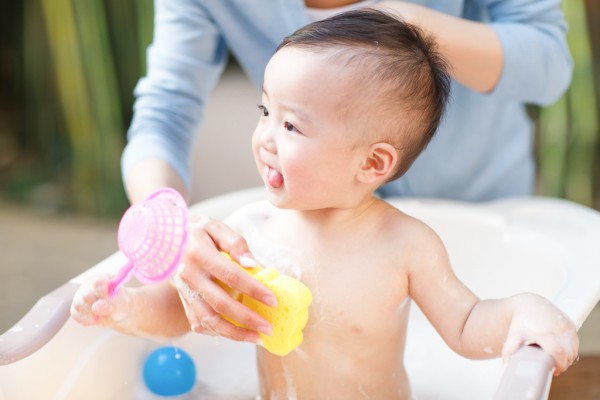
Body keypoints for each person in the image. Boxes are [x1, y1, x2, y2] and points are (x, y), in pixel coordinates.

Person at [73, 10, 578, 398]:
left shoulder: (405, 245)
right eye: (265, 110)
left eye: (291, 125)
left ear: (374, 163)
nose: (265, 137)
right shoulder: (249, 227)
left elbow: (468, 327)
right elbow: (186, 309)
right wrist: (125, 310)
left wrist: (521, 310)